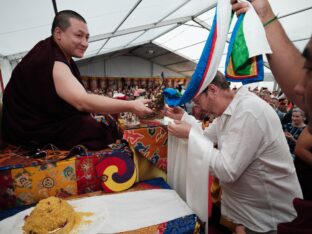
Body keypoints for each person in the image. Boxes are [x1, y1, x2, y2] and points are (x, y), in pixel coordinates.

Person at [165, 71, 302, 234]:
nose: (198, 108)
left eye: (197, 101)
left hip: (268, 220)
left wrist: (191, 134)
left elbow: (227, 170)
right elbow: (205, 137)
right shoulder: (228, 111)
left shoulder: (248, 111)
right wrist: (185, 118)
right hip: (248, 216)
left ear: (213, 91)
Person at [1, 10, 152, 150]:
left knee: (100, 120)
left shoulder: (55, 53)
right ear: (58, 33)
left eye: (87, 37)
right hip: (27, 130)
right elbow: (82, 102)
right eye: (79, 36)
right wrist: (131, 105)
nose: (85, 43)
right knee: (91, 128)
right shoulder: (53, 60)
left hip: (34, 121)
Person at [231, 0, 312, 232]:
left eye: (311, 71)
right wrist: (263, 14)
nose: (298, 89)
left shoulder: (253, 111)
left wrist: (191, 132)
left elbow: (230, 168)